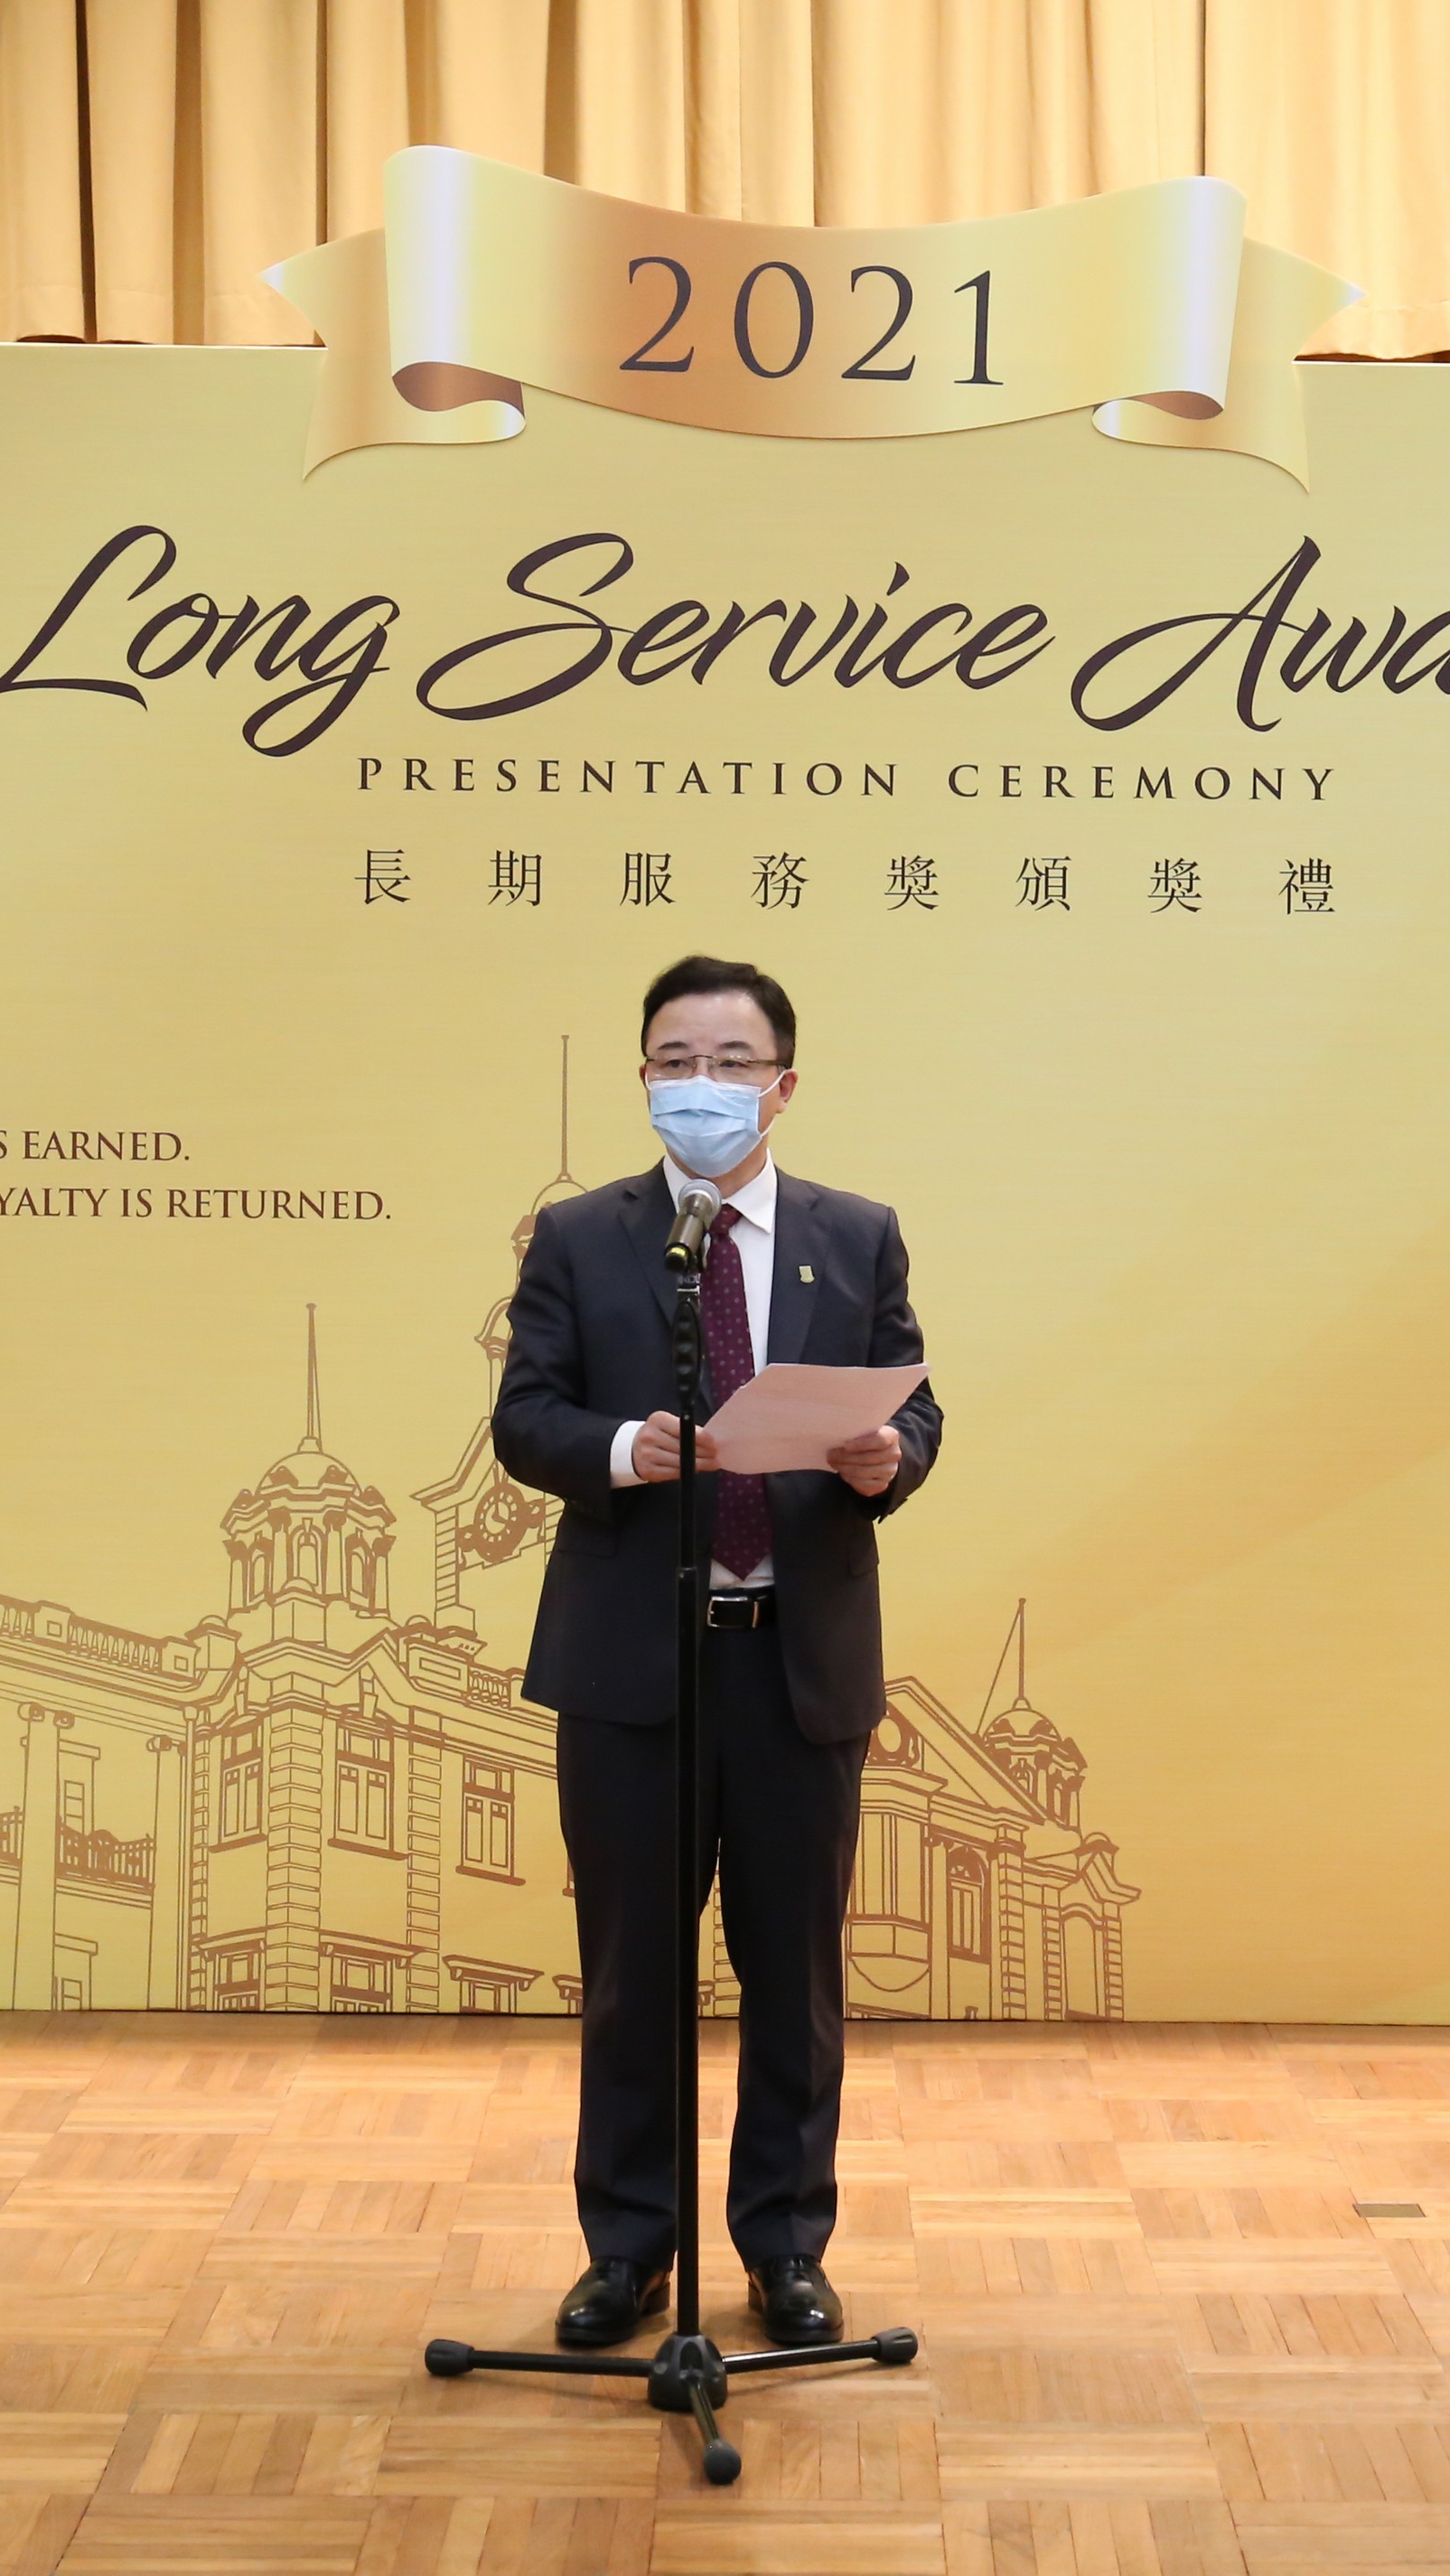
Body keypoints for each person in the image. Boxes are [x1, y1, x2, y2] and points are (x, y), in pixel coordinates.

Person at [492, 955, 943, 2352]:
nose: (702, 1084)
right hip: (633, 1666)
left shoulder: (855, 1235)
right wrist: (622, 1447)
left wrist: (887, 1456)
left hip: (794, 1665)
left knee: (793, 1976)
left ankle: (785, 2248)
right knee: (632, 1973)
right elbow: (525, 1417)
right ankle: (627, 2251)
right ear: (643, 1078)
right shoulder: (582, 1236)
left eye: (731, 1062)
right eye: (675, 1060)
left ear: (782, 1084)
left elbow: (918, 1408)